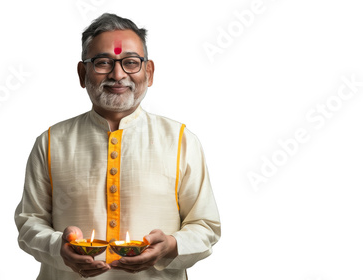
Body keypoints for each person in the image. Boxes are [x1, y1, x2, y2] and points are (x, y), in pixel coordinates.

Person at [14, 13, 221, 279]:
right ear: (82, 72)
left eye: (131, 63)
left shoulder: (180, 140)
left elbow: (206, 226)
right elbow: (30, 222)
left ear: (149, 71)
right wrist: (58, 248)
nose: (118, 74)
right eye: (103, 63)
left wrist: (170, 246)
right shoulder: (52, 142)